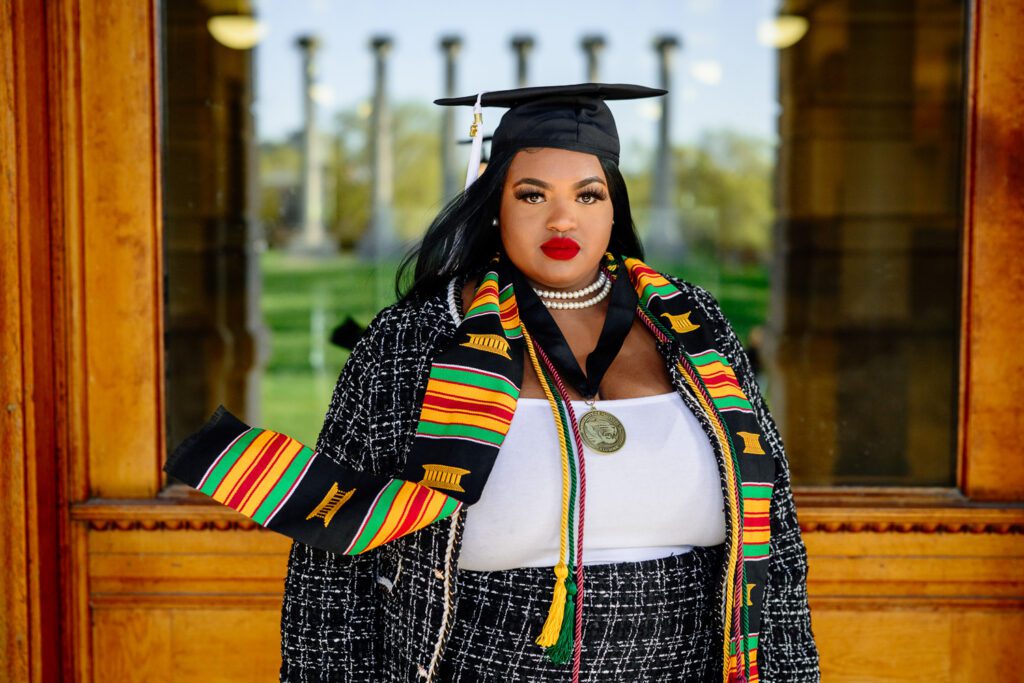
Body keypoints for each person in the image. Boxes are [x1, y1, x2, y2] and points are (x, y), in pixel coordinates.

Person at [166, 83, 819, 682]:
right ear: (494, 204)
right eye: (532, 194)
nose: (562, 220)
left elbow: (777, 541)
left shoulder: (692, 326)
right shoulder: (414, 343)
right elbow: (331, 578)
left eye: (587, 195)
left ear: (614, 209)